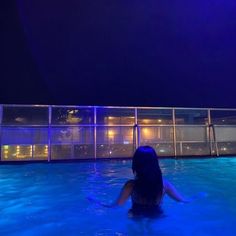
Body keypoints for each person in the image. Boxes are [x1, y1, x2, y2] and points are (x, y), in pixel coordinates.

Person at [88, 146, 193, 218]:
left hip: (135, 216)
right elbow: (182, 201)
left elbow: (115, 206)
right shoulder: (164, 184)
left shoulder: (131, 185)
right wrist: (198, 196)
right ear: (155, 163)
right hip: (157, 216)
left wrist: (96, 202)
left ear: (136, 164)